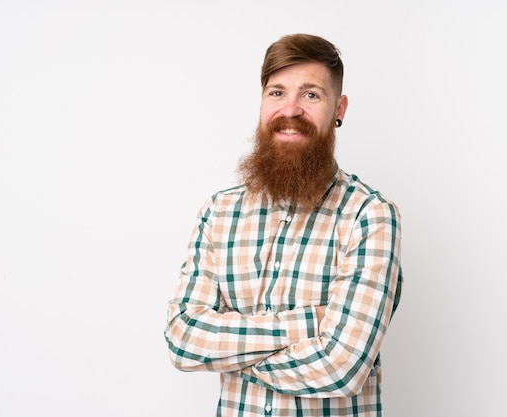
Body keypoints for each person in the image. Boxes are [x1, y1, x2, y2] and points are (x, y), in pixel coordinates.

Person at [165, 33, 403, 417]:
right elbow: (183, 338)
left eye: (311, 95)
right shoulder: (219, 211)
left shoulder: (370, 215)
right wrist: (313, 323)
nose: (290, 109)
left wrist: (230, 355)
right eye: (277, 93)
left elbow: (342, 368)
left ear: (339, 108)